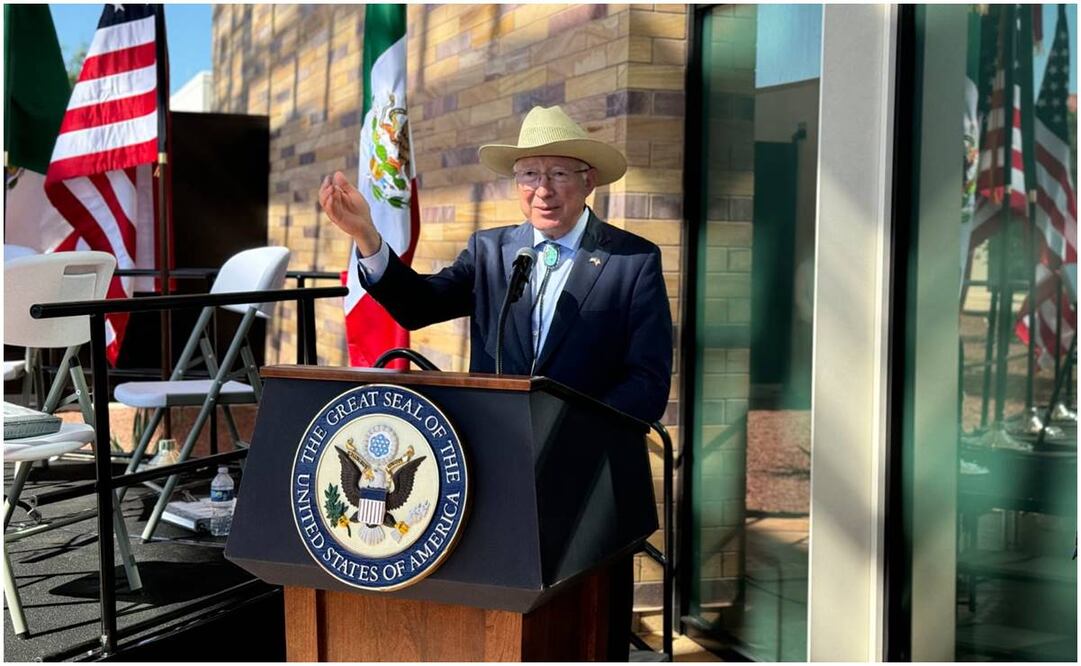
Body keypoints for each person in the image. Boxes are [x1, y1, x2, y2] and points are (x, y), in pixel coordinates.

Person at [319, 105, 673, 424]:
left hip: (586, 457)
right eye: (529, 174)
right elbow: (418, 306)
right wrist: (366, 235)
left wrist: (573, 428)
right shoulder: (489, 251)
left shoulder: (632, 261)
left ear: (588, 181)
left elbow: (648, 383)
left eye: (559, 174)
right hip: (497, 442)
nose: (543, 190)